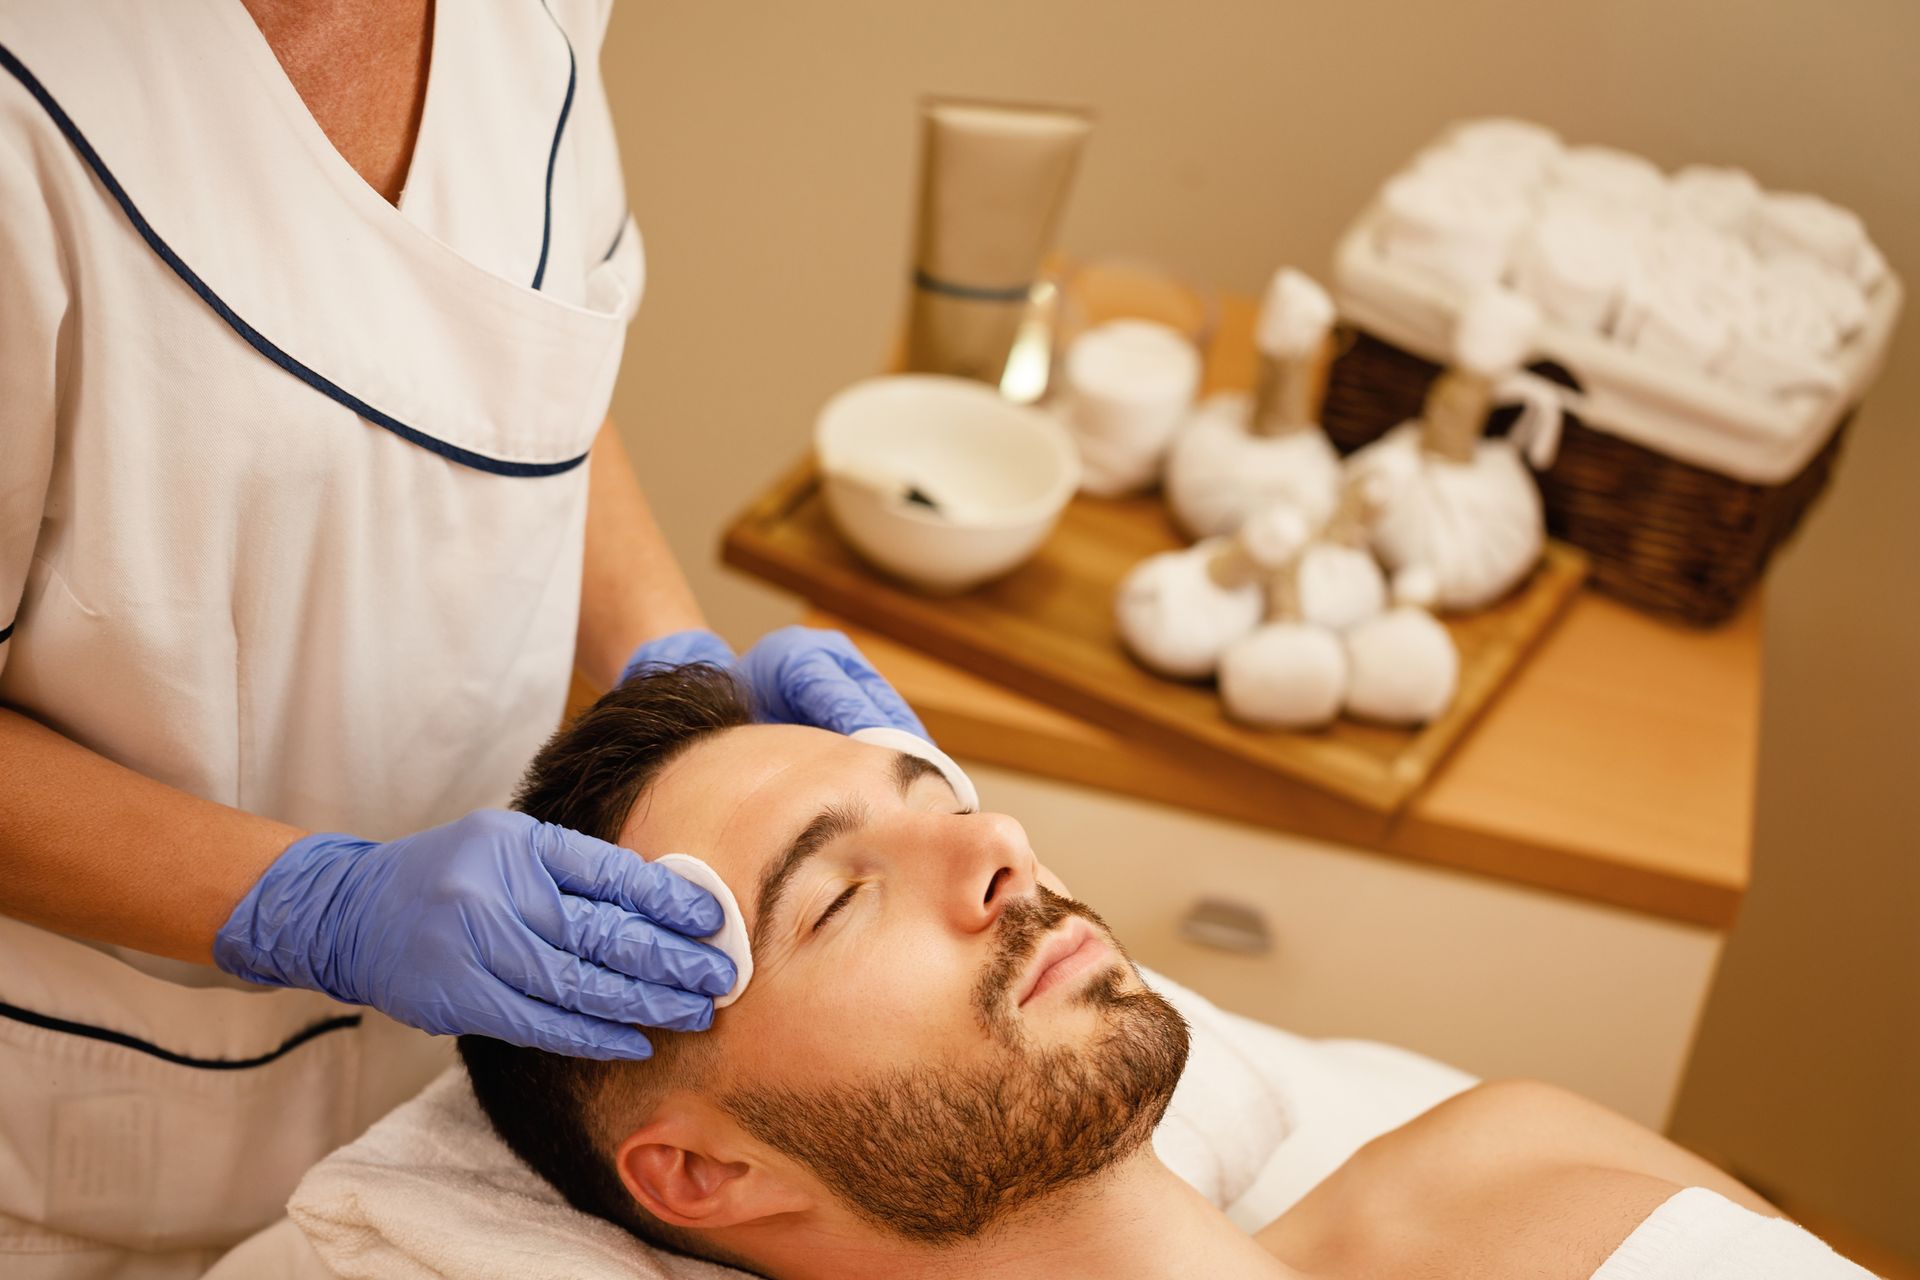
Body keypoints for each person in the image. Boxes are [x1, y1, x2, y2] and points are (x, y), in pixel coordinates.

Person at [0, 3, 921, 1273]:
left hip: (441, 1096)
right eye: (836, 900)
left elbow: (509, 375)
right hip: (79, 1123)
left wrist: (676, 660)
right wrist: (312, 905)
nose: (1004, 847)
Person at [460, 662, 1883, 1280]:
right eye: (839, 897)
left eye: (946, 800)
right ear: (706, 1174)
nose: (1001, 846)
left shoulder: (1510, 1149)